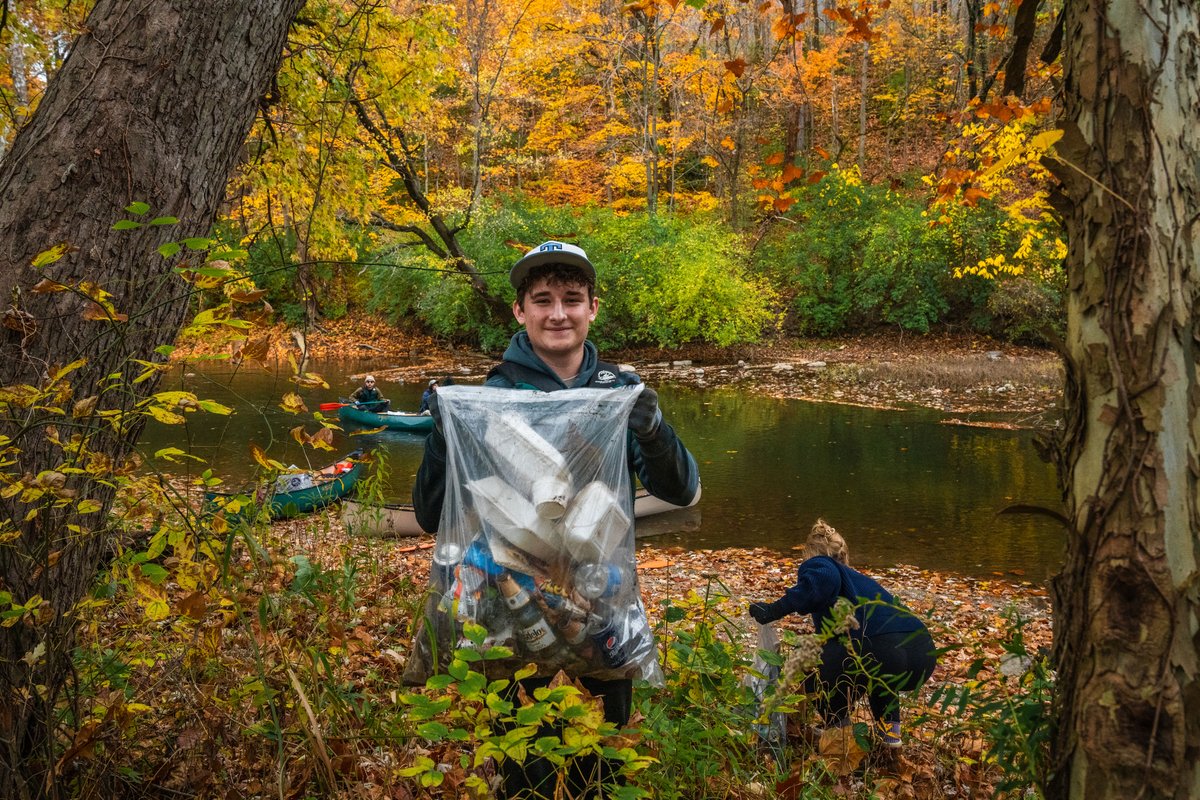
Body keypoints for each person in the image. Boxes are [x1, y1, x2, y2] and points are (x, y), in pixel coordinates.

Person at [413, 240, 700, 798]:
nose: (558, 313)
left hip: (601, 615)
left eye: (572, 298)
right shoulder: (491, 398)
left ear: (593, 307)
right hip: (512, 616)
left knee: (603, 769)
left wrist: (653, 427)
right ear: (520, 312)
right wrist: (445, 438)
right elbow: (430, 515)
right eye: (542, 299)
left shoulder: (617, 392)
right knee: (525, 775)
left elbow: (682, 490)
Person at [748, 519, 937, 748]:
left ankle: (840, 737)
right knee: (880, 680)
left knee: (815, 672)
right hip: (920, 652)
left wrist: (772, 610)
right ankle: (890, 741)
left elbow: (821, 580)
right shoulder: (858, 580)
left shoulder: (822, 565)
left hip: (880, 646)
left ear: (811, 553)